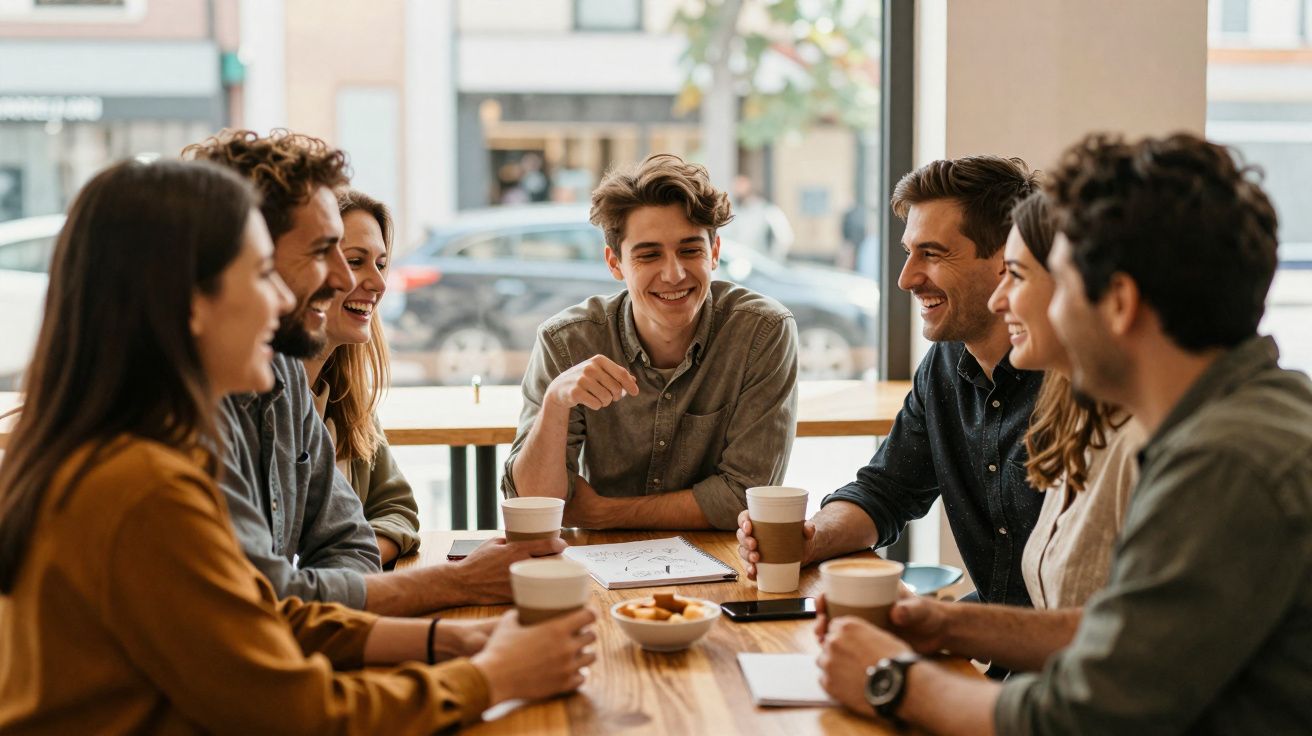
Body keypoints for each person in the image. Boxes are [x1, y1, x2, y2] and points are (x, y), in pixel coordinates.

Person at [0, 159, 596, 733]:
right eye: (262, 274)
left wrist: (450, 640)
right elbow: (292, 713)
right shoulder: (143, 485)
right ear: (189, 302)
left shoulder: (136, 447)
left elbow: (254, 620)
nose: (285, 301)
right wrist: (489, 677)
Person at [818, 132, 1312, 734]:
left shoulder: (1227, 461)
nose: (1009, 300)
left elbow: (1086, 714)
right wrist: (940, 623)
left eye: (1043, 278)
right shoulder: (1232, 423)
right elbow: (1123, 637)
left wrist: (892, 682)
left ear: (1119, 303)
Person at [185, 129, 562, 614]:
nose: (356, 281)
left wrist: (457, 642)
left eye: (372, 261)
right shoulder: (179, 423)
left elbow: (351, 542)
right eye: (328, 254)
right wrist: (456, 600)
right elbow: (268, 606)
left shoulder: (285, 385)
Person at [737, 155, 1045, 610]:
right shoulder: (945, 362)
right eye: (908, 252)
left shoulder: (1074, 384)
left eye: (933, 254)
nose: (906, 279)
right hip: (999, 645)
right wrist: (810, 540)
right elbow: (886, 490)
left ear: (1005, 259)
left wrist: (939, 624)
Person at [503, 153, 799, 531]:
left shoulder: (762, 332)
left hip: (724, 561)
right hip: (600, 567)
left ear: (715, 253)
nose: (673, 274)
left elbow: (745, 497)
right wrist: (556, 401)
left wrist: (602, 513)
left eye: (690, 250)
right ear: (615, 263)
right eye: (649, 255)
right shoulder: (567, 341)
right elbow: (534, 505)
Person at [300, 189, 420, 566]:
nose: (379, 283)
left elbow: (396, 508)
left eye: (381, 264)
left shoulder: (345, 395)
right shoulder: (264, 400)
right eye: (355, 262)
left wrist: (352, 559)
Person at [720, 174, 795, 260]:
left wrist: (773, 260)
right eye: (735, 185)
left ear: (749, 186)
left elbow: (785, 237)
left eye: (740, 184)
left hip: (760, 265)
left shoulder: (767, 210)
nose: (736, 189)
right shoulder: (734, 212)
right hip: (739, 265)